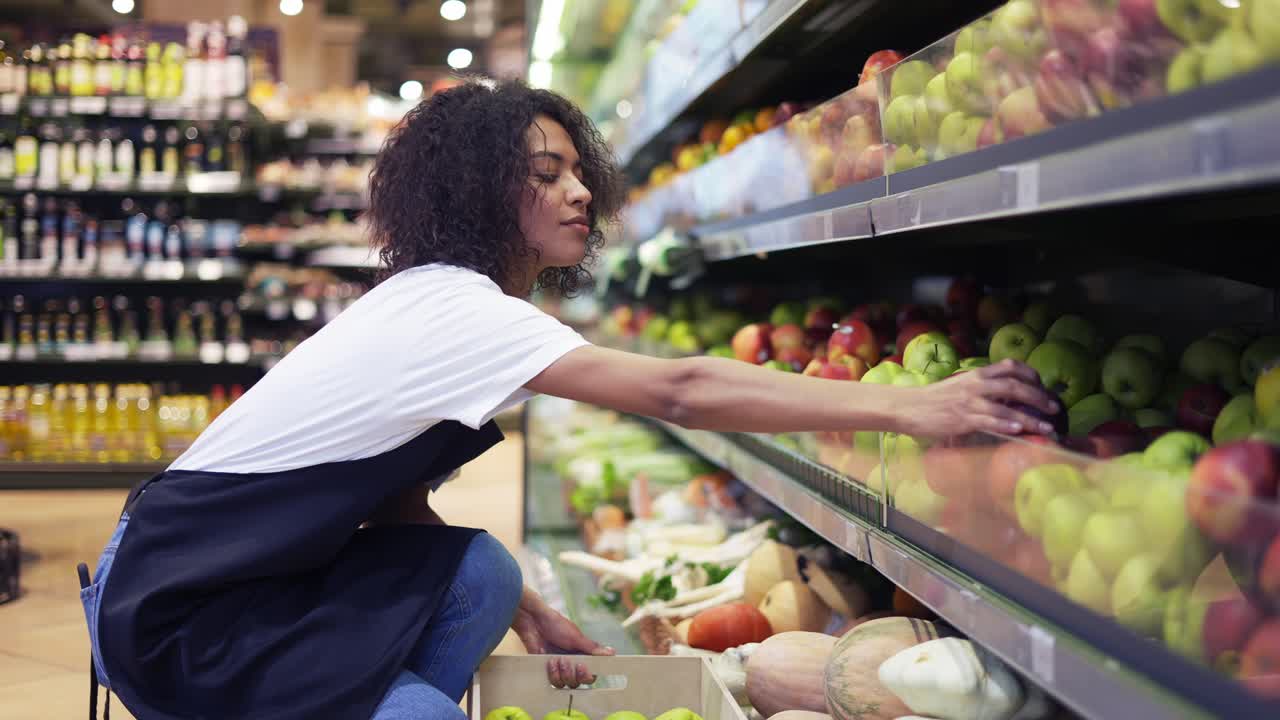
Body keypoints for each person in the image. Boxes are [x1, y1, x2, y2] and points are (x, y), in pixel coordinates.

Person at [78, 79, 1058, 720]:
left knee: (482, 575)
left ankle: (360, 696)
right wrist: (911, 409)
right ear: (473, 194)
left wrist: (531, 616)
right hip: (176, 604)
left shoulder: (441, 303)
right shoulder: (458, 310)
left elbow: (378, 492)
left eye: (577, 169)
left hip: (225, 572)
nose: (579, 191)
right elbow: (678, 385)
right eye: (544, 175)